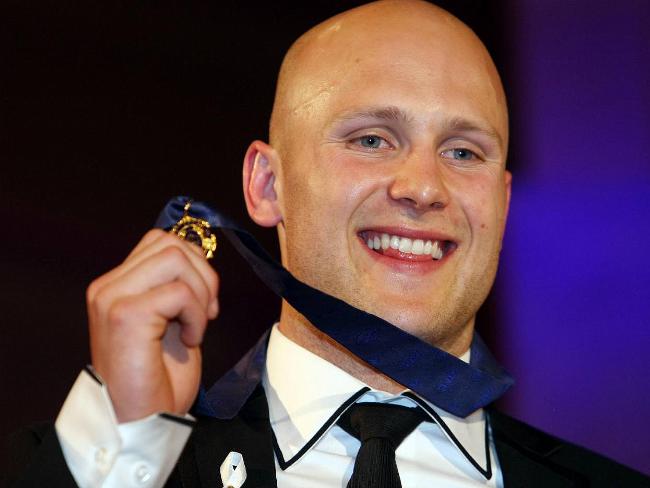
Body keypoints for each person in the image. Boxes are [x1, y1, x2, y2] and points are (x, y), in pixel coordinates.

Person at [5, 1, 647, 487]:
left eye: (462, 152)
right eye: (371, 139)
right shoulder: (96, 468)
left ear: (503, 206)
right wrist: (125, 452)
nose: (424, 187)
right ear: (266, 185)